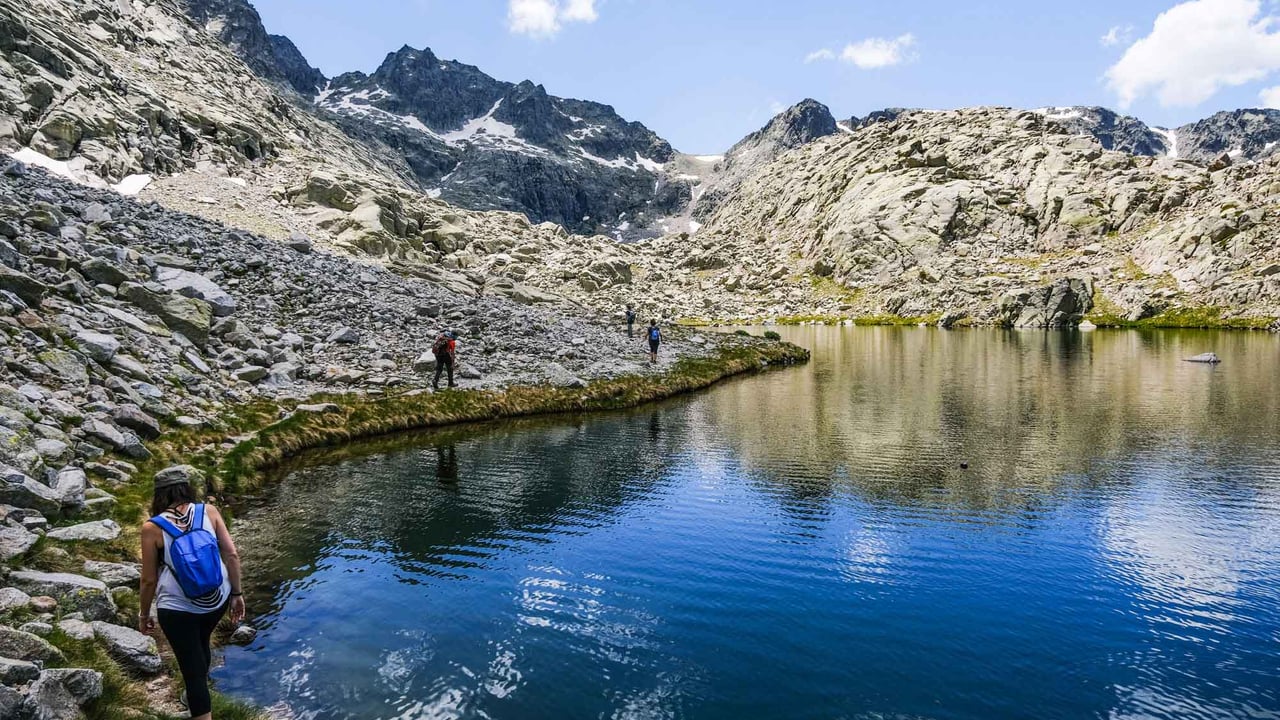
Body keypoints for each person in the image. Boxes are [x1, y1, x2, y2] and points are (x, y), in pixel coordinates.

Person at [139, 471, 244, 720]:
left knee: (191, 670)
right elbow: (231, 555)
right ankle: (197, 690)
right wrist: (237, 593)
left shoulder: (152, 528)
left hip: (178, 608)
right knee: (201, 641)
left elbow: (148, 579)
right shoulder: (209, 511)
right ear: (187, 488)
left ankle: (197, 698)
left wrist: (144, 613)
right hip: (217, 599)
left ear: (159, 494)